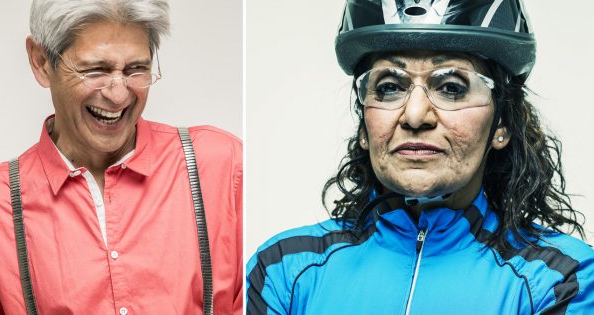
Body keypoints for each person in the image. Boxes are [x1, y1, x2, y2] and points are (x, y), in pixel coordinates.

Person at [246, 1, 593, 314]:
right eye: (388, 87)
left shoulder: (562, 279)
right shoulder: (282, 271)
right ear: (364, 127)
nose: (414, 115)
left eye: (452, 88)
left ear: (501, 124)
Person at [0, 0, 242, 314]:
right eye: (95, 70)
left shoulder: (222, 166)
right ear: (41, 62)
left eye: (136, 69)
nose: (118, 95)